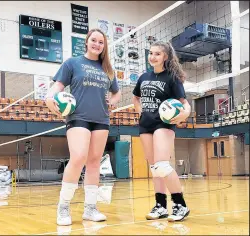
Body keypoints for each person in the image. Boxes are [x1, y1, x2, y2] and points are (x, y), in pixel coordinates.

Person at [45, 28, 121, 226]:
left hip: (102, 119)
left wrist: (112, 101)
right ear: (86, 42)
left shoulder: (108, 70)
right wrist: (48, 97)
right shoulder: (73, 63)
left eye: (101, 42)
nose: (97, 44)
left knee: (95, 162)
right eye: (94, 40)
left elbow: (116, 94)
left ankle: (90, 208)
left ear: (104, 46)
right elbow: (57, 86)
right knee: (78, 157)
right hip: (78, 116)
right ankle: (63, 207)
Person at [132, 41, 191, 222]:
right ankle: (160, 206)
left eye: (157, 54)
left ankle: (180, 204)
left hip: (163, 123)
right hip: (146, 124)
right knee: (154, 168)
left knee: (162, 165)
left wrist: (185, 114)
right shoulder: (143, 77)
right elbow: (136, 97)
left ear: (165, 57)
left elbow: (184, 103)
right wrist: (140, 111)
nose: (153, 56)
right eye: (151, 53)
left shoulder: (172, 78)